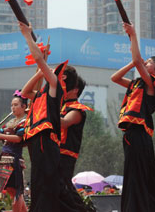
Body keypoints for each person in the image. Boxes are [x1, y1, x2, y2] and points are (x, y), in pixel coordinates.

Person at [19, 21, 79, 212]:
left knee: (45, 185)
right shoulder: (42, 94)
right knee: (37, 184)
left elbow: (38, 59)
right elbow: (25, 92)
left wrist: (27, 35)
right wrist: (39, 73)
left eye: (56, 73)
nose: (51, 73)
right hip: (37, 141)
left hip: (47, 141)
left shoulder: (55, 89)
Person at [111, 22, 155, 212]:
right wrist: (133, 62)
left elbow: (137, 60)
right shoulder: (136, 84)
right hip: (130, 133)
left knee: (139, 174)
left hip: (140, 134)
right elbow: (115, 78)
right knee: (132, 173)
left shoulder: (152, 85)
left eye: (150, 62)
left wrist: (134, 35)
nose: (146, 62)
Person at [58, 76, 95, 211]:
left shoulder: (77, 110)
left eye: (66, 85)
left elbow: (64, 123)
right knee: (56, 187)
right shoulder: (61, 106)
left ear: (75, 90)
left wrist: (46, 110)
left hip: (67, 154)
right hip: (54, 151)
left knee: (63, 186)